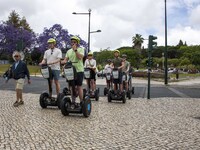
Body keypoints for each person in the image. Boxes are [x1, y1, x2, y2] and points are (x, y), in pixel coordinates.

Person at [61, 36, 84, 105]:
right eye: (72, 42)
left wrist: (75, 50)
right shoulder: (69, 51)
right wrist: (63, 61)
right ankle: (73, 101)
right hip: (70, 70)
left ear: (77, 43)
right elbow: (66, 59)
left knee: (79, 86)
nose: (73, 43)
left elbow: (80, 57)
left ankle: (81, 102)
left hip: (79, 70)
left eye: (74, 42)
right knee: (71, 86)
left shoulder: (81, 49)